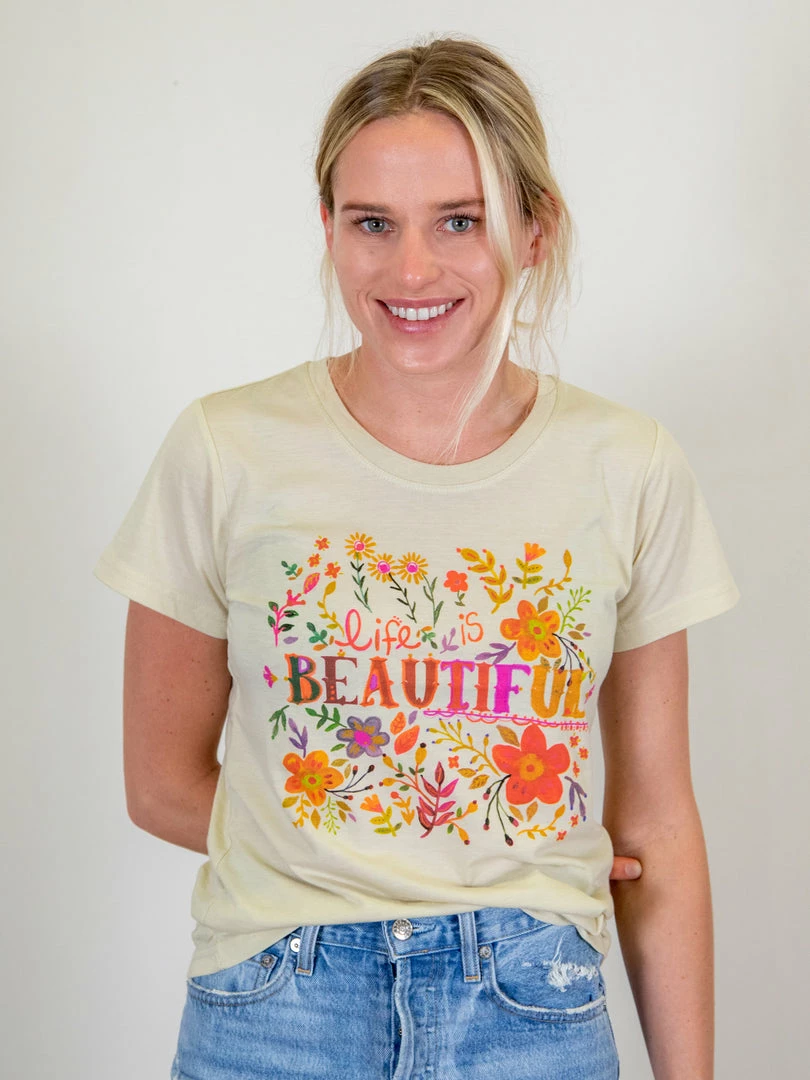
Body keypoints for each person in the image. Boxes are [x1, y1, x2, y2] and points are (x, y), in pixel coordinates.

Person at [94, 35, 739, 1080]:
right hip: (276, 1007)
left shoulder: (628, 465)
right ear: (328, 227)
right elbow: (159, 781)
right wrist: (393, 855)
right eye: (373, 223)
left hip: (530, 1008)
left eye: (460, 220)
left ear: (535, 227)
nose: (411, 270)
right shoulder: (225, 448)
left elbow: (658, 820)